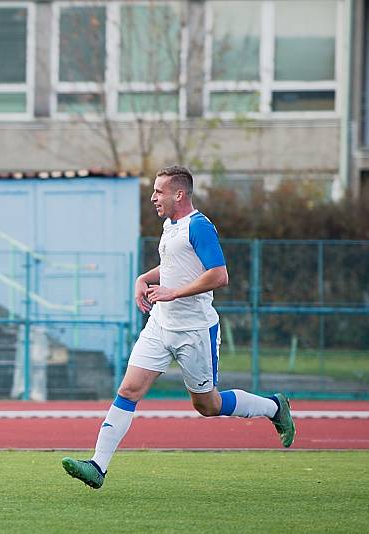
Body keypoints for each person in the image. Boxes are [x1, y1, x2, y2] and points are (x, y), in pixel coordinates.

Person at [62, 165, 295, 489]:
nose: (153, 197)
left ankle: (273, 407)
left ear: (179, 194)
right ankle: (97, 466)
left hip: (194, 330)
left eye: (159, 191)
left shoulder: (199, 226)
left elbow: (219, 275)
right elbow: (175, 266)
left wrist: (173, 292)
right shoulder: (171, 226)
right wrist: (144, 278)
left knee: (207, 405)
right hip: (160, 324)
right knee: (128, 390)